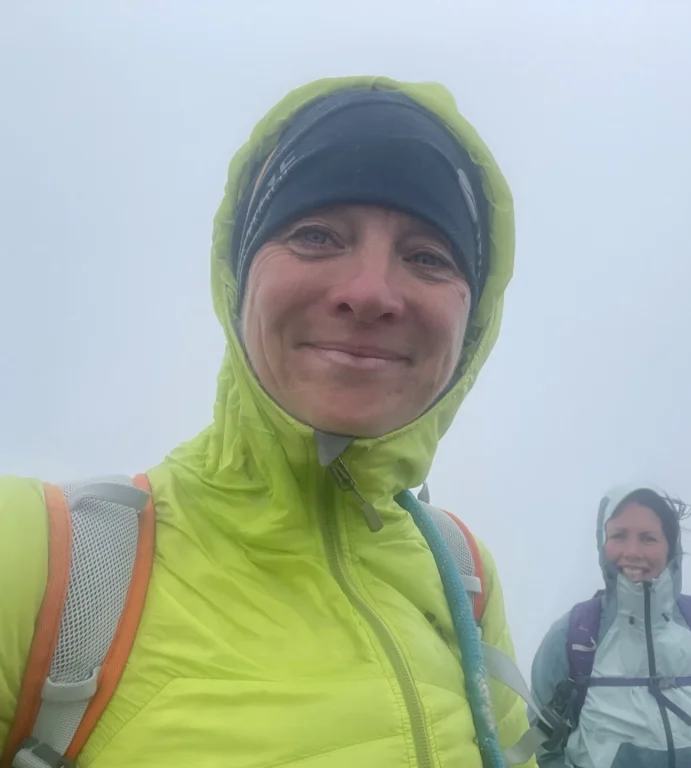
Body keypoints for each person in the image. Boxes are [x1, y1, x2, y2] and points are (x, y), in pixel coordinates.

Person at [0, 77, 533, 768]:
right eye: (317, 236)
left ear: (474, 320)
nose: (371, 292)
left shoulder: (461, 572)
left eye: (427, 256)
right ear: (238, 278)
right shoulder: (40, 560)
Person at [530, 484, 691, 768]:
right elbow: (540, 751)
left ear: (671, 547)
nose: (632, 551)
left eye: (648, 538)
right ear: (603, 543)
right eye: (619, 535)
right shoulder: (573, 636)